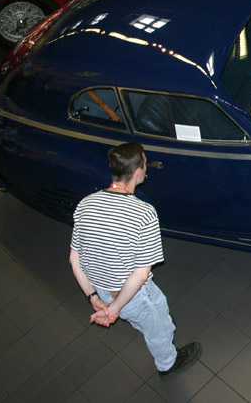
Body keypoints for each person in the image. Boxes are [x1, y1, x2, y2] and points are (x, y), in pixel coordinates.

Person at [69, 142, 200, 375]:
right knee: (156, 326)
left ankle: (154, 322)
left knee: (152, 314)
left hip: (102, 287)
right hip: (132, 295)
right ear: (138, 172)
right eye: (145, 163)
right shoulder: (143, 213)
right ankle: (167, 361)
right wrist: (113, 310)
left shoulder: (86, 204)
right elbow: (140, 275)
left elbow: (74, 258)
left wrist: (93, 297)